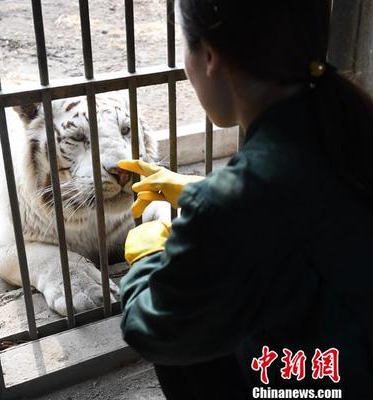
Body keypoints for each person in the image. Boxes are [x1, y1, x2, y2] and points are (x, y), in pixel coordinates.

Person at [117, 0, 373, 399]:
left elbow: (151, 329)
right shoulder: (346, 120)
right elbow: (304, 203)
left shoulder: (232, 204)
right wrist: (197, 190)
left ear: (210, 56)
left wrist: (148, 257)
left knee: (189, 333)